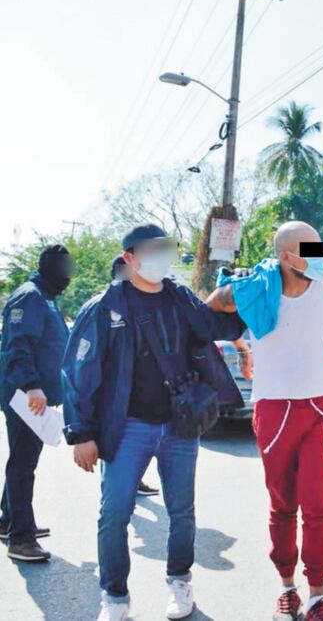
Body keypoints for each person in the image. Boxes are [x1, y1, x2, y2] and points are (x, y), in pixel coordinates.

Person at [63, 224, 247, 621]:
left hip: (180, 426)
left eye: (167, 247)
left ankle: (179, 582)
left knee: (182, 511)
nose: (162, 256)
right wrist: (81, 433)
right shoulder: (105, 308)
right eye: (152, 249)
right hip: (127, 427)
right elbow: (79, 372)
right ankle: (114, 598)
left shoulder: (180, 298)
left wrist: (243, 293)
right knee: (114, 514)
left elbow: (215, 326)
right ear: (129, 258)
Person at [206, 221, 323, 621]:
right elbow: (212, 304)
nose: (320, 258)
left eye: (320, 249)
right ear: (285, 257)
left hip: (319, 406)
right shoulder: (256, 290)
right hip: (274, 407)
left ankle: (317, 595)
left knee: (318, 506)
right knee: (283, 505)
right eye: (310, 250)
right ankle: (287, 588)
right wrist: (241, 338)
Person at [0, 244, 72, 562]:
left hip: (32, 394)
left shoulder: (45, 297)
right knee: (22, 465)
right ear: (48, 266)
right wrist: (32, 386)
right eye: (63, 266)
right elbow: (18, 344)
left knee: (22, 459)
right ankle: (21, 539)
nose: (68, 273)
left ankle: (8, 522)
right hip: (23, 395)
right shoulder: (30, 296)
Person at [110, 255, 160, 498]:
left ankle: (134, 481)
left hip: (146, 404)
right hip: (117, 404)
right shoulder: (107, 308)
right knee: (115, 499)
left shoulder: (148, 303)